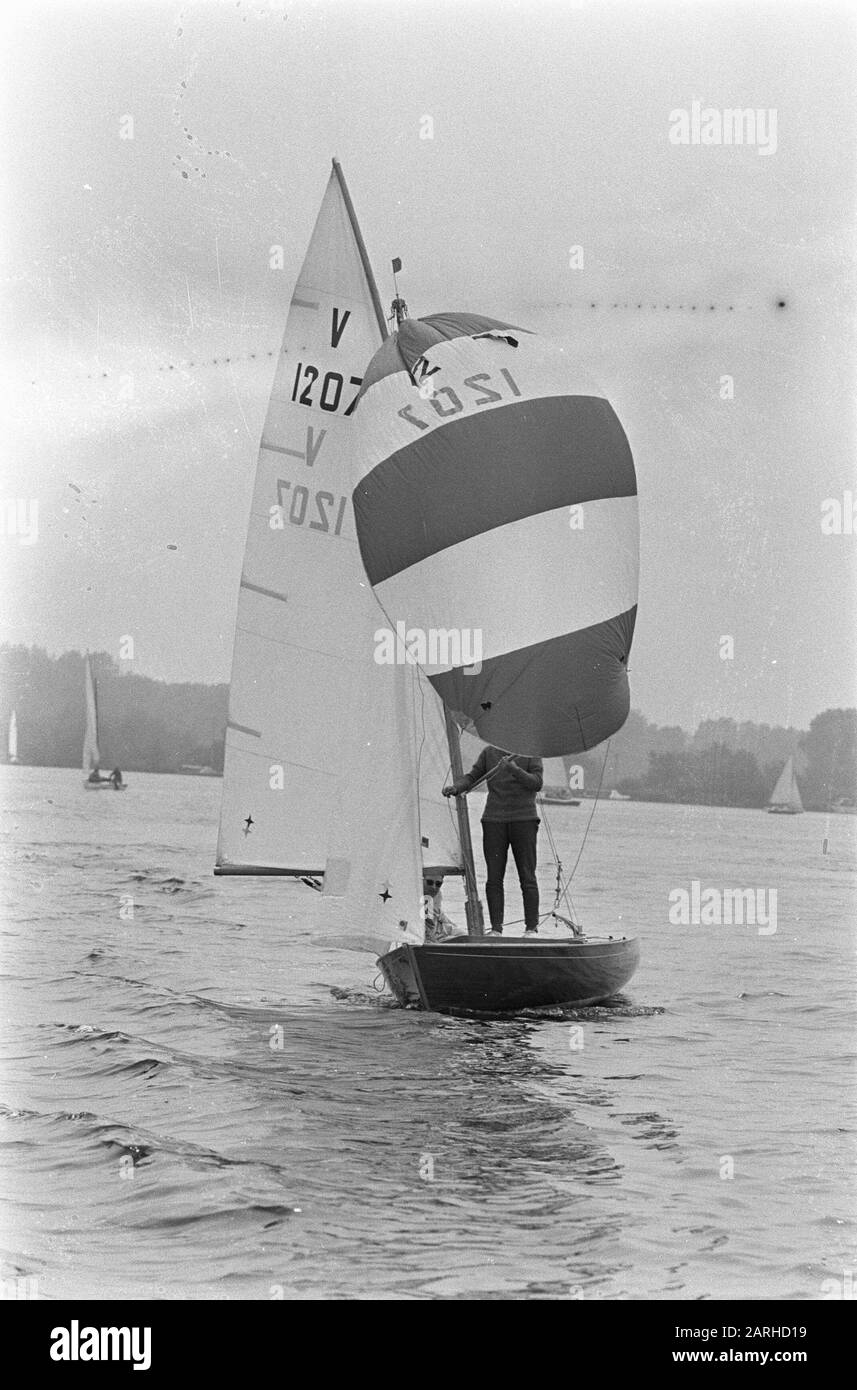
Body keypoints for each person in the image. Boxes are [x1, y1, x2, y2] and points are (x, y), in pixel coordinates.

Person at [443, 747, 543, 935]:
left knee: (527, 877)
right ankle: (496, 929)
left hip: (524, 820)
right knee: (494, 878)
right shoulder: (489, 752)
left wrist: (514, 769)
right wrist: (456, 787)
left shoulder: (530, 751)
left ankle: (531, 928)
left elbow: (537, 783)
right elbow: (472, 777)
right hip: (494, 820)